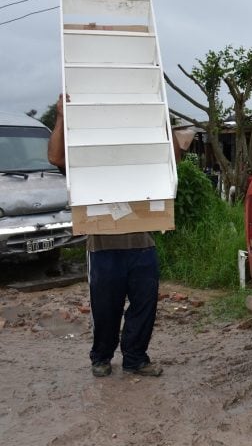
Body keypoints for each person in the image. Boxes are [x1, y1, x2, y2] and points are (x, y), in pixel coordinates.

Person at [48, 94, 175, 378]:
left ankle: (135, 358)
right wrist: (61, 116)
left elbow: (172, 159)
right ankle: (102, 357)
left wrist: (161, 120)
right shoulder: (87, 161)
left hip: (141, 246)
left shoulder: (140, 157)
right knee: (106, 309)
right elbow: (56, 157)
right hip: (102, 247)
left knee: (145, 307)